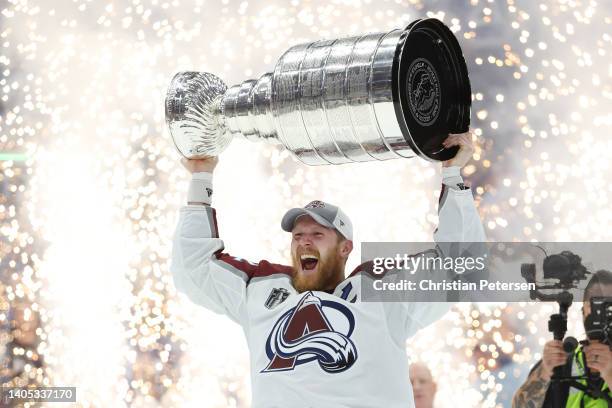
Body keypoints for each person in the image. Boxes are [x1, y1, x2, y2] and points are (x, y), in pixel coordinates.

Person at [170, 131, 485, 408]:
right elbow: (193, 269)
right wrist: (200, 177)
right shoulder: (262, 287)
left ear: (345, 248)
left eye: (317, 235)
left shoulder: (379, 289)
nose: (304, 242)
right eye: (298, 236)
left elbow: (460, 266)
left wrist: (452, 174)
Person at [512, 270, 612, 408]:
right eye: (595, 303)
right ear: (583, 310)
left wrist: (609, 374)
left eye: (607, 305)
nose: (599, 312)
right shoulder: (562, 362)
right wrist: (545, 370)